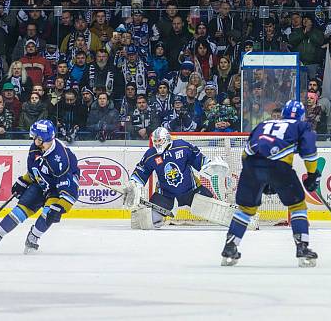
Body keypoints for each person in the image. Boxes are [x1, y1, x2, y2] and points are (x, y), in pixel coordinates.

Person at [221, 100, 319, 267]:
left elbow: (246, 153)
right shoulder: (302, 126)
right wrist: (311, 176)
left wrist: (260, 178)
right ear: (302, 116)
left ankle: (230, 246)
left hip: (251, 164)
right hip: (278, 166)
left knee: (246, 209)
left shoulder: (264, 123)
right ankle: (302, 248)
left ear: (283, 114)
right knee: (297, 206)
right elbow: (309, 153)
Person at [0, 120, 79, 254]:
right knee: (19, 211)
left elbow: (71, 190)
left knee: (49, 213)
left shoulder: (61, 160)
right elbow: (35, 170)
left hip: (56, 190)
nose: (34, 140)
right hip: (41, 184)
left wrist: (61, 207)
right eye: (34, 137)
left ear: (44, 139)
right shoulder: (36, 148)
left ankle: (33, 237)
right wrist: (23, 181)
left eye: (37, 138)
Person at [122, 127, 228, 229]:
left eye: (160, 140)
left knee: (215, 210)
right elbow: (141, 172)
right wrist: (133, 184)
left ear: (167, 139)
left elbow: (199, 160)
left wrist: (211, 166)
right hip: (165, 194)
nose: (157, 143)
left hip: (191, 191)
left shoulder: (182, 146)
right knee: (147, 221)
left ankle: (232, 219)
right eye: (155, 141)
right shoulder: (151, 154)